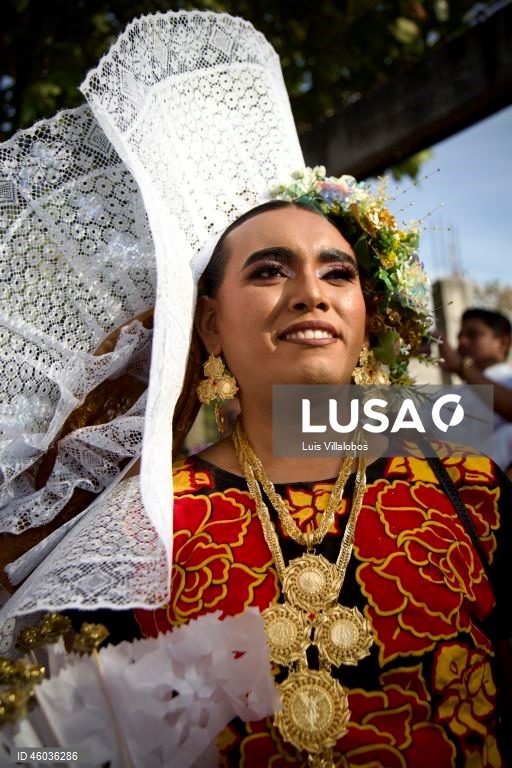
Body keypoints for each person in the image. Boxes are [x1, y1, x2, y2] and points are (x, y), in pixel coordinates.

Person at [0, 11, 511, 768]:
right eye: (269, 270)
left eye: (339, 272)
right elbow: (35, 750)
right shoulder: (141, 533)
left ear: (369, 317)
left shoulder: (475, 492)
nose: (312, 292)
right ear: (207, 324)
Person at [439, 308, 512, 475]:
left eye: (473, 335)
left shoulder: (508, 380)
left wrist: (462, 368)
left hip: (489, 490)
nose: (462, 342)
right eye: (460, 336)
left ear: (503, 343)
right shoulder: (450, 395)